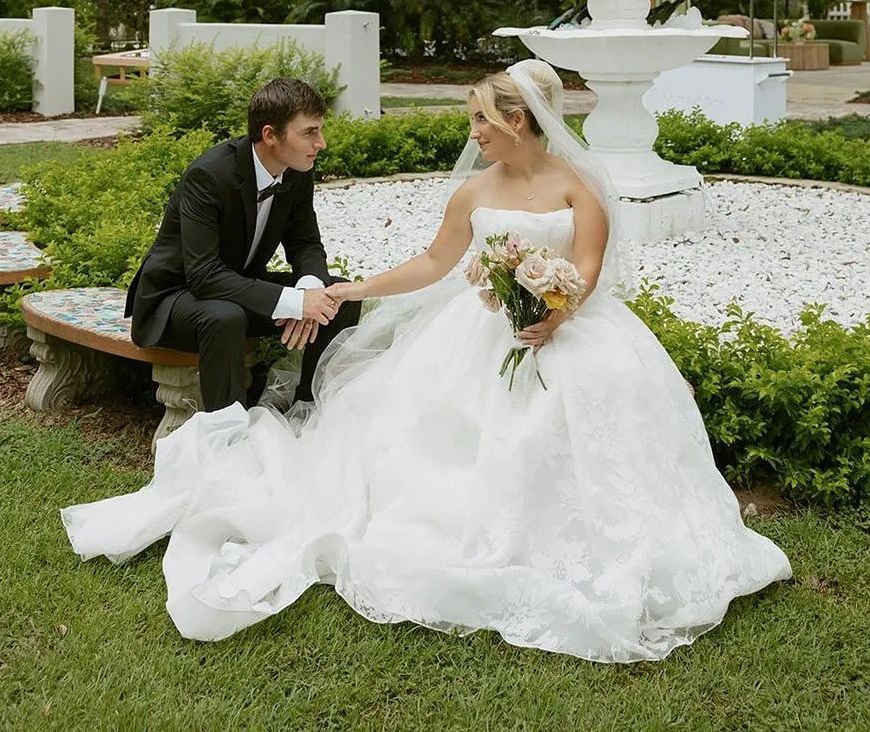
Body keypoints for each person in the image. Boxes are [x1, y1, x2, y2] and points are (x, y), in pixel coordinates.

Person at [64, 61, 791, 664]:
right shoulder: (472, 191)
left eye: (481, 119)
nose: (471, 134)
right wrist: (349, 288)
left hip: (573, 331)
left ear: (519, 120)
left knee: (597, 413)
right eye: (472, 119)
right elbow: (435, 262)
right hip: (473, 334)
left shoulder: (578, 184)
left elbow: (590, 263)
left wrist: (556, 309)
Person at [124, 78, 361, 408]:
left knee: (340, 295)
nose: (321, 142)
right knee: (225, 316)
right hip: (175, 298)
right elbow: (204, 276)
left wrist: (308, 292)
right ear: (269, 135)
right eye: (309, 132)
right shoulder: (208, 176)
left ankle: (309, 411)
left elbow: (306, 243)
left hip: (235, 289)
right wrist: (294, 302)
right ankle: (229, 434)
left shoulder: (298, 172)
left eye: (320, 130)